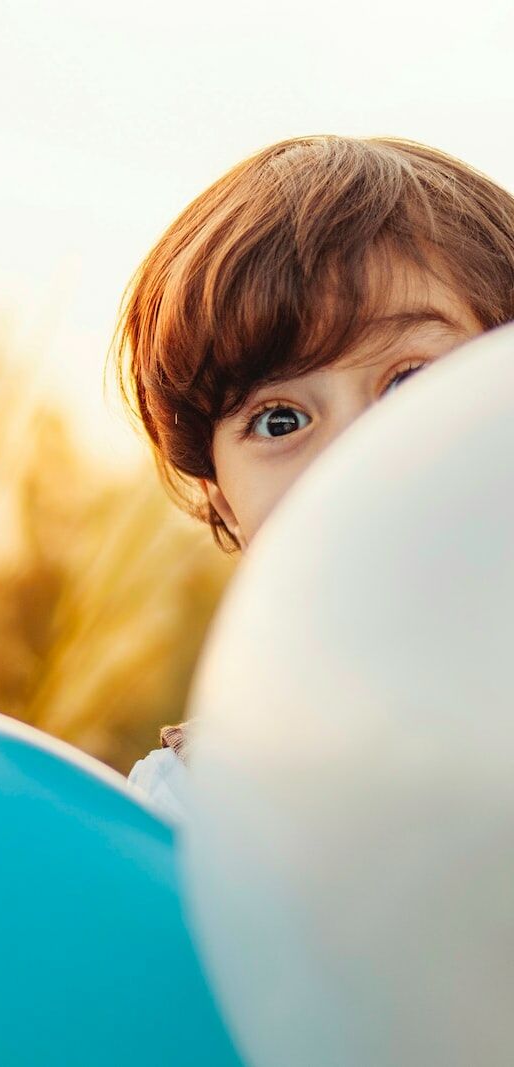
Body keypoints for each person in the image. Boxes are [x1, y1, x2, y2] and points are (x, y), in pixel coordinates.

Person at [112, 134, 514, 823]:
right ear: (222, 498)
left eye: (412, 379)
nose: (352, 453)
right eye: (278, 421)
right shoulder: (191, 810)